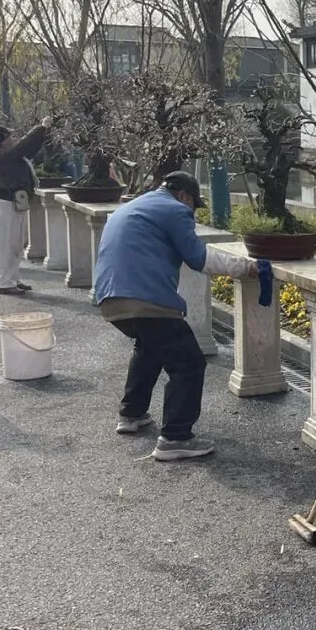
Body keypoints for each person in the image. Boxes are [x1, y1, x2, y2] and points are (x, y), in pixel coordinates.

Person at [94, 172, 257, 461]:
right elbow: (199, 258)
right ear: (184, 196)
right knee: (188, 363)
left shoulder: (134, 205)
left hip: (110, 297)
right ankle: (176, 437)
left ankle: (131, 413)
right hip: (144, 297)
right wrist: (245, 267)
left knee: (149, 347)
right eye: (194, 205)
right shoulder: (175, 209)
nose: (193, 212)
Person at [0, 116, 53, 296]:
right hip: (7, 204)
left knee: (16, 244)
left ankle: (13, 279)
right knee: (8, 245)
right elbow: (23, 146)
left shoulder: (10, 155)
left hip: (15, 203)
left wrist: (42, 133)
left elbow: (28, 148)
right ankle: (5, 283)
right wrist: (40, 128)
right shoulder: (1, 156)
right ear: (1, 140)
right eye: (9, 136)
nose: (12, 138)